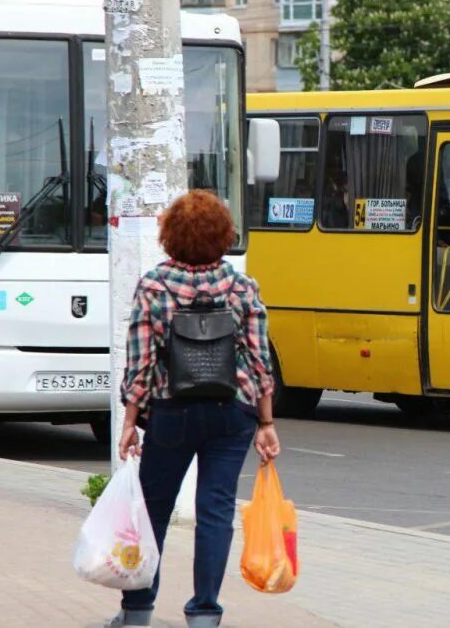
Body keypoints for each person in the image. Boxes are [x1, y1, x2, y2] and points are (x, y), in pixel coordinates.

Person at [112, 189, 281, 628]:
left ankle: (137, 612)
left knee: (152, 510)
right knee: (216, 510)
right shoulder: (243, 288)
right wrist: (266, 422)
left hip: (171, 411)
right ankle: (204, 613)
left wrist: (130, 422)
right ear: (223, 236)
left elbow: (141, 361)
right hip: (233, 412)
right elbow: (260, 361)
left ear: (170, 237)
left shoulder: (153, 286)